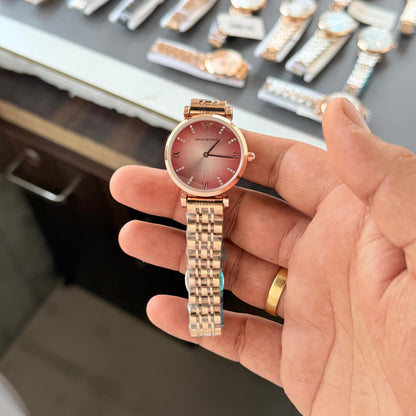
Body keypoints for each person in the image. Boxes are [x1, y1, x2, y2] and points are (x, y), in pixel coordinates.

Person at [109, 97, 416, 415]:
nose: (206, 154)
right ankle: (204, 314)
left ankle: (205, 313)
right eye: (203, 152)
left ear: (243, 159)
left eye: (214, 152)